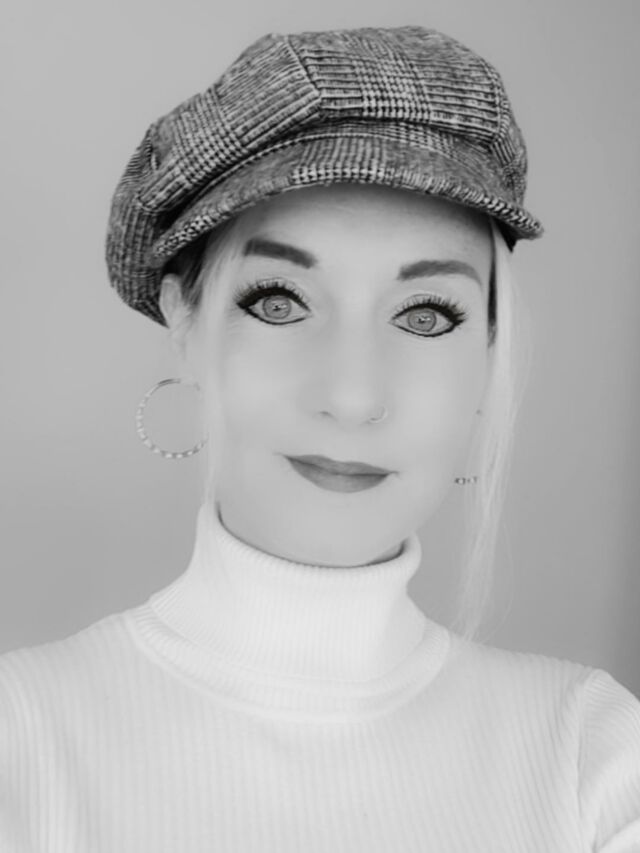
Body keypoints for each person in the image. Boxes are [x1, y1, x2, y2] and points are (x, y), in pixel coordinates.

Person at [1, 25, 639, 852]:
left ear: (487, 355)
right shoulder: (20, 741)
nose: (352, 396)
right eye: (279, 301)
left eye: (425, 315)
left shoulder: (594, 758)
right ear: (183, 320)